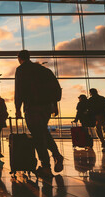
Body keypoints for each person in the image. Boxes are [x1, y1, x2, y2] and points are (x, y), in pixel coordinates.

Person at [15, 50, 64, 178]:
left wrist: (17, 108)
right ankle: (57, 155)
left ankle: (46, 166)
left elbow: (19, 90)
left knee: (38, 136)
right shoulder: (44, 70)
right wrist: (54, 105)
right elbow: (54, 88)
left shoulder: (21, 70)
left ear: (19, 58)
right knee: (42, 132)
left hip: (32, 107)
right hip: (47, 107)